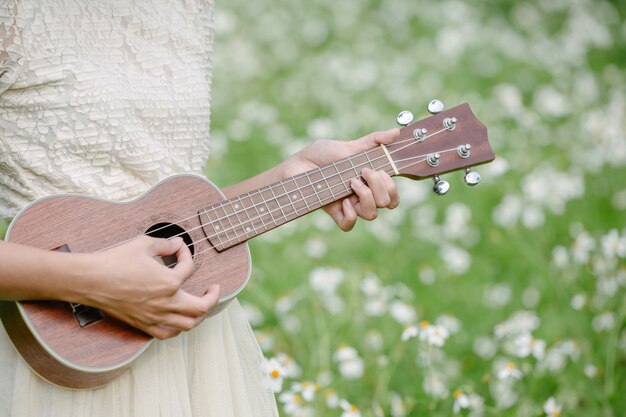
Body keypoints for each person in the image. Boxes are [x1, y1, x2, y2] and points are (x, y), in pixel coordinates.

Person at [0, 1, 399, 416]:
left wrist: (290, 176)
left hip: (192, 346)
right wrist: (94, 282)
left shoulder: (188, 8)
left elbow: (165, 212)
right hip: (54, 338)